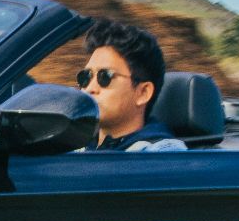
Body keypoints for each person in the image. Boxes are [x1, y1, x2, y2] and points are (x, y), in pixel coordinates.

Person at [76, 19, 186, 152]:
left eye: (105, 77)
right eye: (85, 77)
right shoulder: (75, 149)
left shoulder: (162, 155)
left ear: (143, 93)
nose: (90, 88)